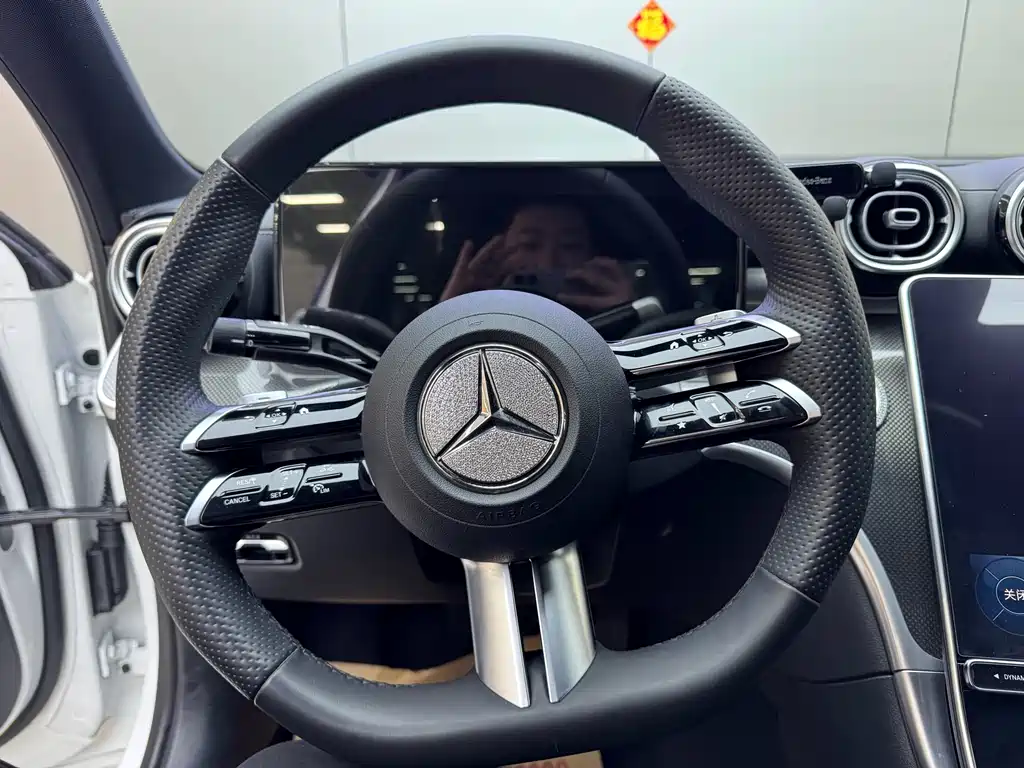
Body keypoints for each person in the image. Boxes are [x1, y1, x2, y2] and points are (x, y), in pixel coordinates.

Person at [439, 199, 634, 314]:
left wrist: (625, 316)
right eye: (529, 245)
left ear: (592, 258)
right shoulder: (478, 319)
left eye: (570, 246)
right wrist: (451, 310)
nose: (547, 262)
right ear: (496, 253)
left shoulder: (608, 316)